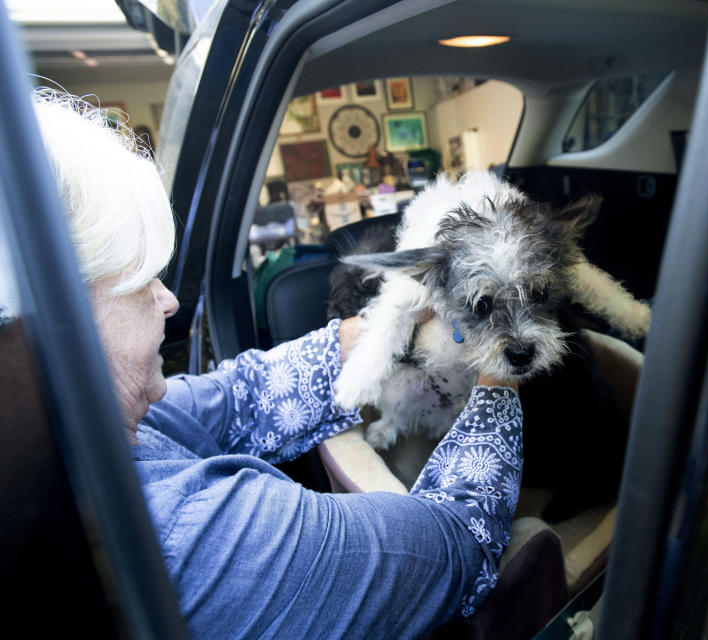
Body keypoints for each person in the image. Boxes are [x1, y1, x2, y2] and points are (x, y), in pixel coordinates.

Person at [33, 89, 523, 638]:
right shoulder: (198, 540)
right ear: (57, 312)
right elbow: (454, 541)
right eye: (139, 279)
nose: (168, 300)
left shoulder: (107, 430)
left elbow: (245, 395)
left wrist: (391, 323)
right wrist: (499, 367)